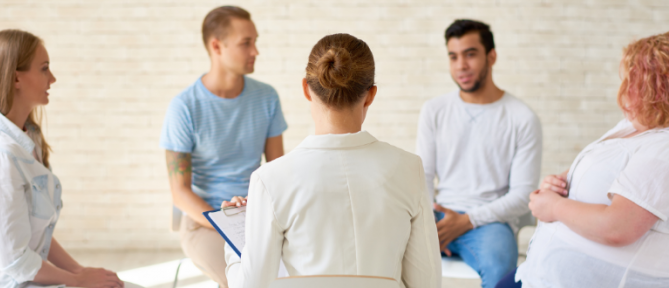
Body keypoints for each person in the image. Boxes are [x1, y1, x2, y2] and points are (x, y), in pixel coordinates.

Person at [221, 33, 442, 288]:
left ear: (306, 89)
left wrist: (233, 241)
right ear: (370, 95)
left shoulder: (269, 179)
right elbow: (427, 283)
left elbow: (250, 286)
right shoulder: (408, 168)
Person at [496, 32, 669, 288]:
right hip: (538, 273)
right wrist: (559, 182)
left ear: (658, 89)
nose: (623, 90)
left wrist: (553, 207)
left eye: (634, 81)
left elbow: (618, 227)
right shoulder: (633, 126)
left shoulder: (663, 147)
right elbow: (598, 173)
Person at [159, 6, 287, 287]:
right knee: (242, 279)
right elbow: (180, 193)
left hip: (255, 214)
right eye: (246, 43)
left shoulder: (267, 98)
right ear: (216, 46)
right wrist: (228, 225)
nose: (256, 51)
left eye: (255, 41)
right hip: (204, 221)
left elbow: (279, 172)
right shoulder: (184, 108)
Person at [0, 29, 124, 288]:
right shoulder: (0, 155)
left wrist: (79, 270)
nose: (52, 78)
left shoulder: (30, 136)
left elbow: (37, 234)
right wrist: (76, 280)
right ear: (17, 78)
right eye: (44, 69)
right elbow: (16, 262)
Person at [416, 19, 542, 288]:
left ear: (491, 56)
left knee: (502, 272)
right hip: (438, 215)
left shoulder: (522, 118)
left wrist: (467, 221)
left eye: (470, 54)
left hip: (490, 222)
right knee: (386, 250)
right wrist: (428, 225)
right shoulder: (434, 110)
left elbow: (522, 196)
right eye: (453, 56)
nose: (461, 65)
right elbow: (422, 175)